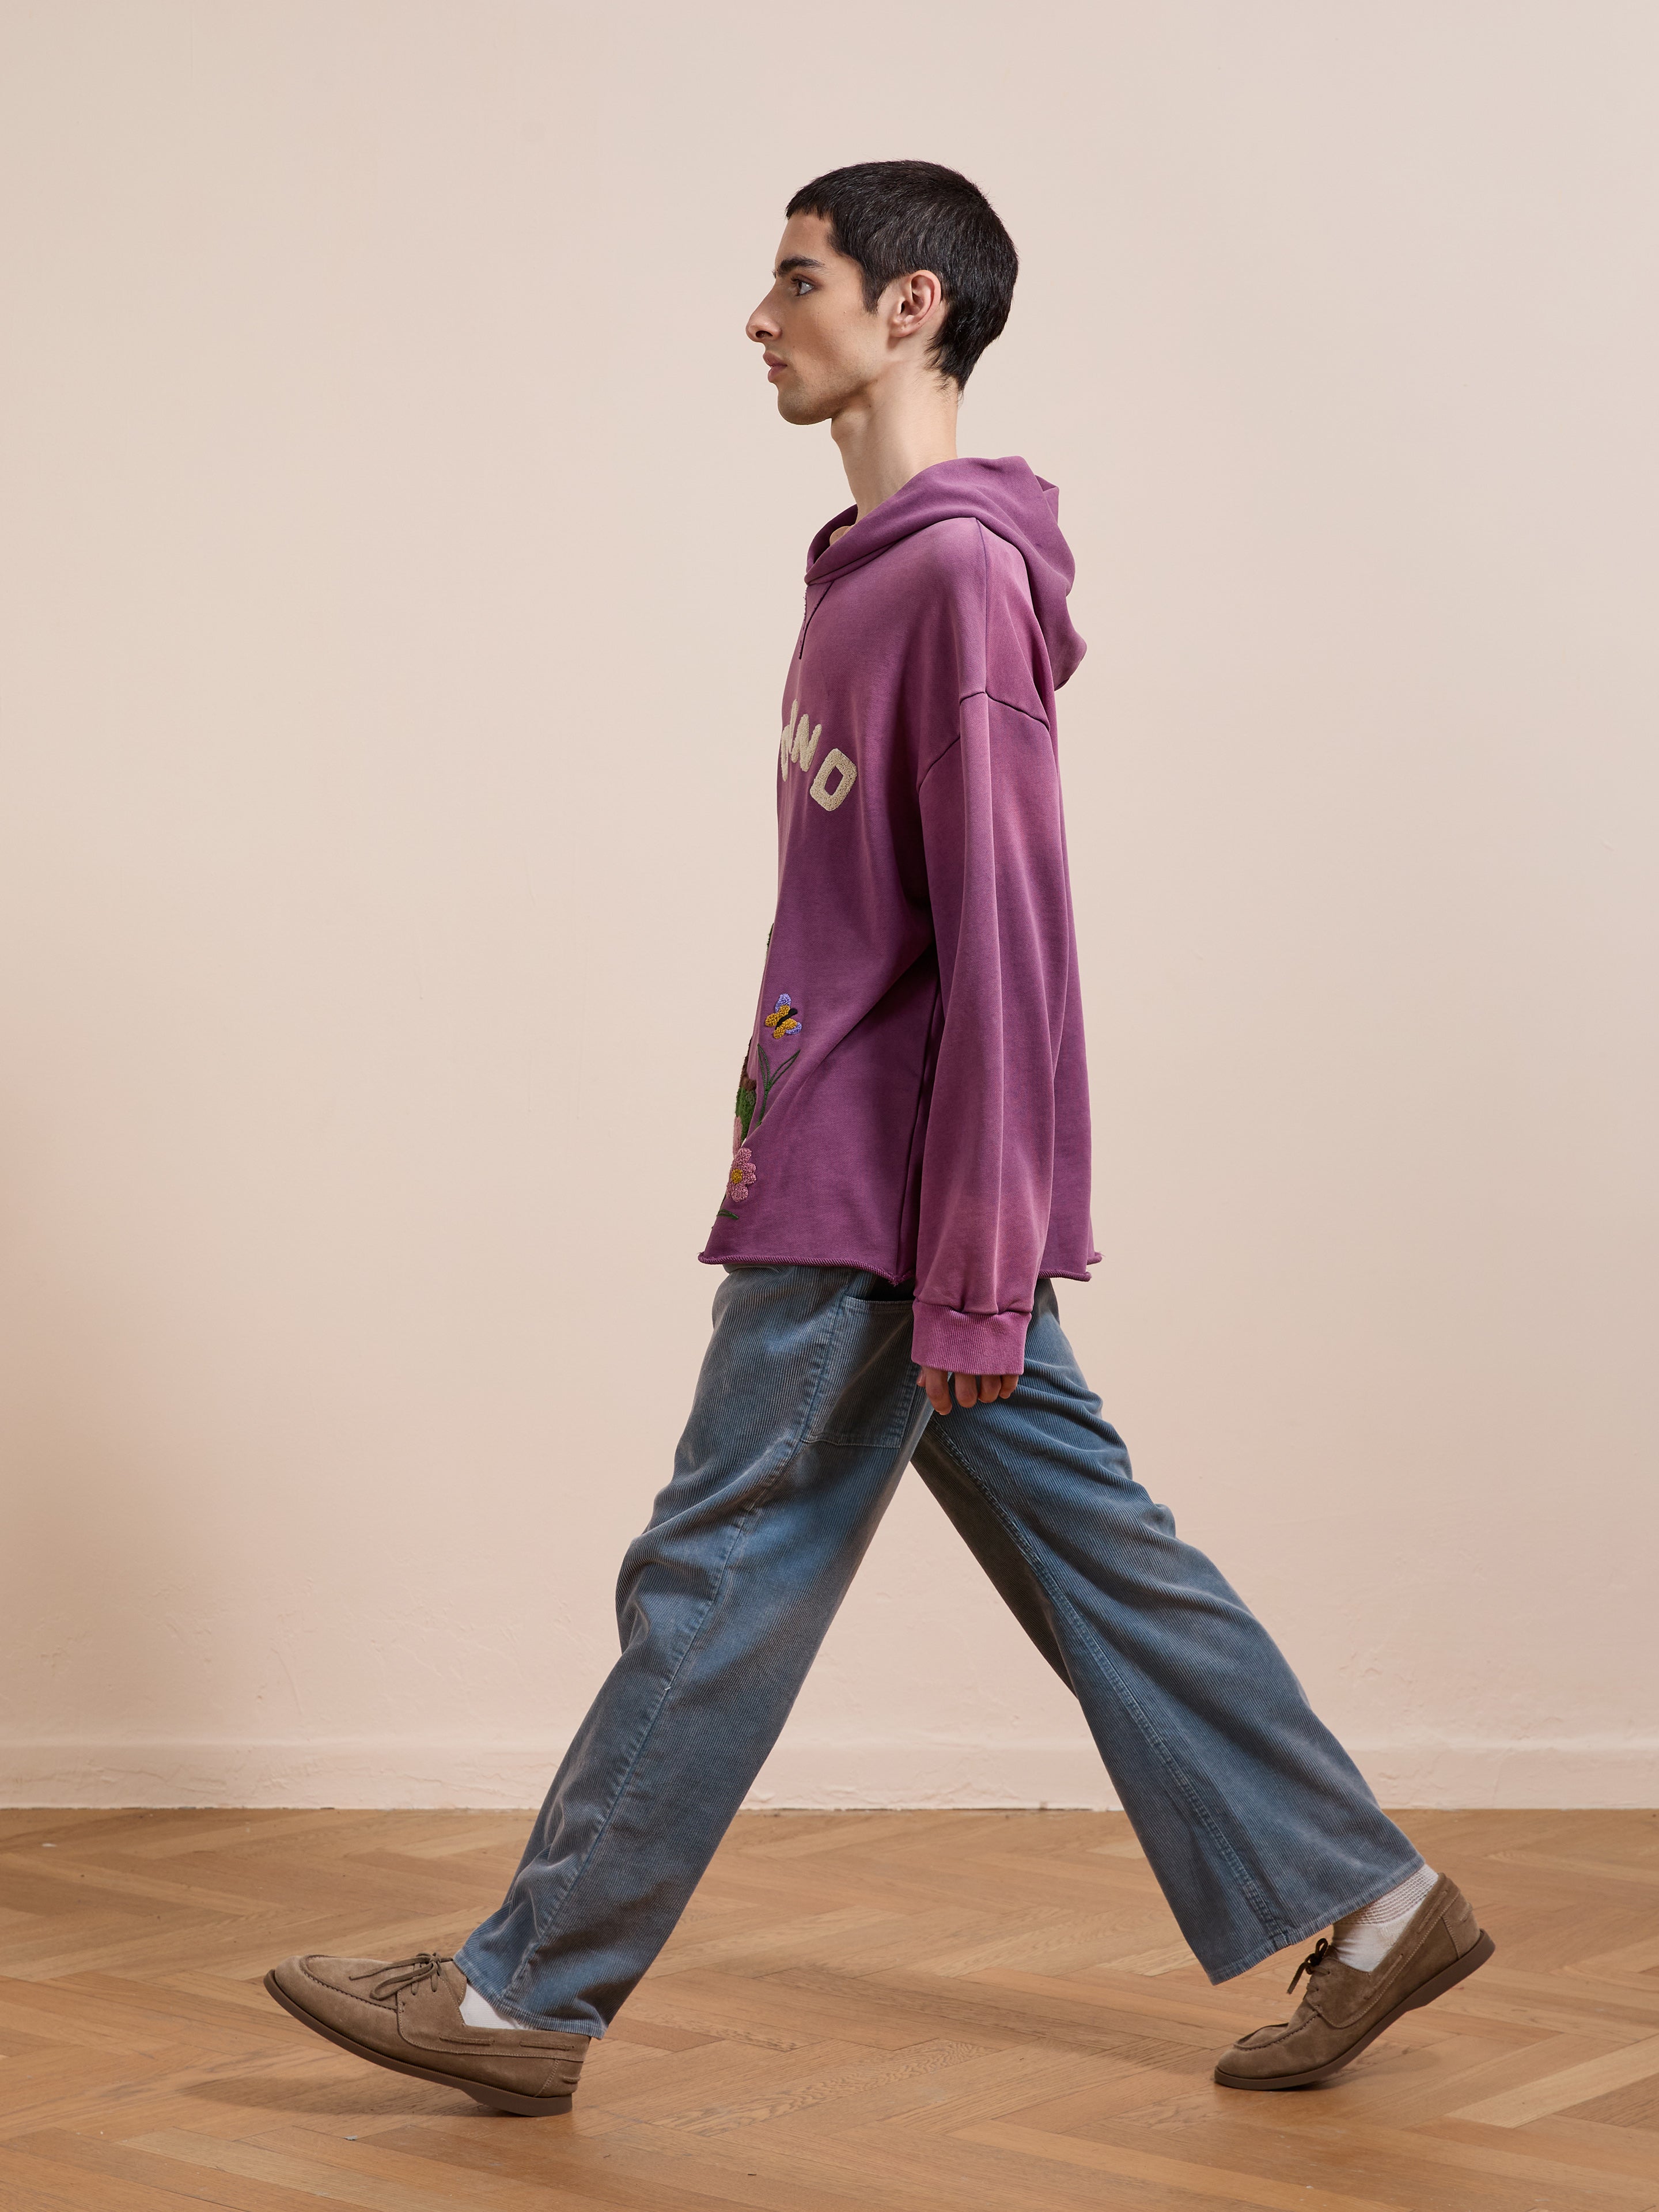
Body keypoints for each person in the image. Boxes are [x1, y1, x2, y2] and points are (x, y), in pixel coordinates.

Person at [264, 159, 1492, 2117]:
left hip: (885, 1200)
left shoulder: (954, 588)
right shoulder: (869, 576)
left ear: (911, 308)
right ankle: (1372, 1899)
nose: (760, 318)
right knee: (1100, 1559)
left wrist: (977, 1265)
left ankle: (524, 1998)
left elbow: (1013, 958)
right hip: (858, 1165)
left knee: (717, 1570)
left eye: (797, 279)